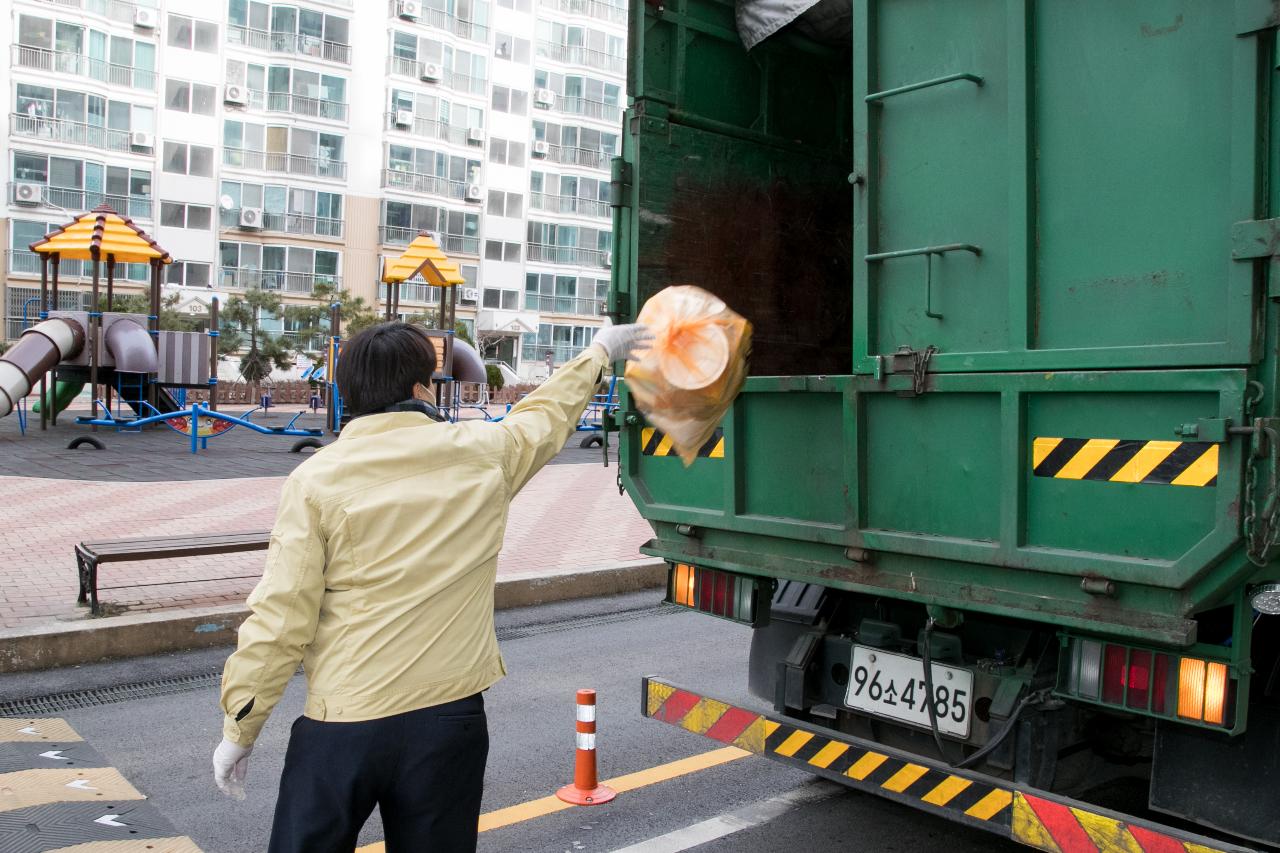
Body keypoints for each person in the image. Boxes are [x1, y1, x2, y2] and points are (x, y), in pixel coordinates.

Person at [211, 320, 651, 853]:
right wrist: (600, 351)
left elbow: (281, 618)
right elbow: (546, 416)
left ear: (346, 394)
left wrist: (241, 727)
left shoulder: (317, 479)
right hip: (451, 719)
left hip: (344, 723)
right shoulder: (485, 452)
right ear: (422, 389)